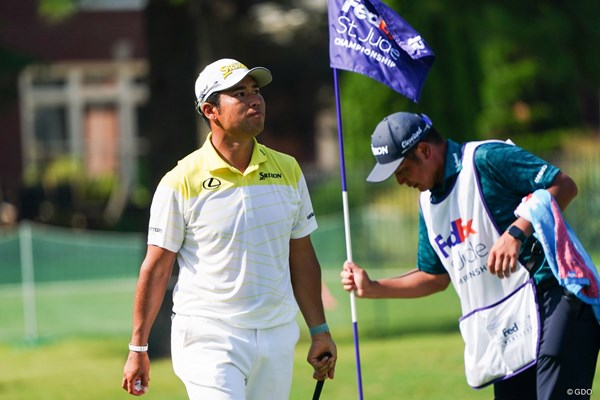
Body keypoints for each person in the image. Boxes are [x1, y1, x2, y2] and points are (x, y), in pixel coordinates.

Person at [340, 112, 600, 399]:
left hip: (558, 301)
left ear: (424, 151)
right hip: (510, 328)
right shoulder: (427, 204)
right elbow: (434, 276)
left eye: (401, 170)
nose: (400, 181)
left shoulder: (486, 158)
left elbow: (563, 185)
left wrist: (516, 232)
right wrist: (373, 288)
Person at [122, 58, 336, 399]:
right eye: (239, 93)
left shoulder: (289, 170)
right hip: (209, 335)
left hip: (276, 333)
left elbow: (302, 255)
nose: (254, 99)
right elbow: (157, 267)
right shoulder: (180, 181)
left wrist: (320, 329)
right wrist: (138, 347)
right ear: (211, 110)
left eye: (255, 91)